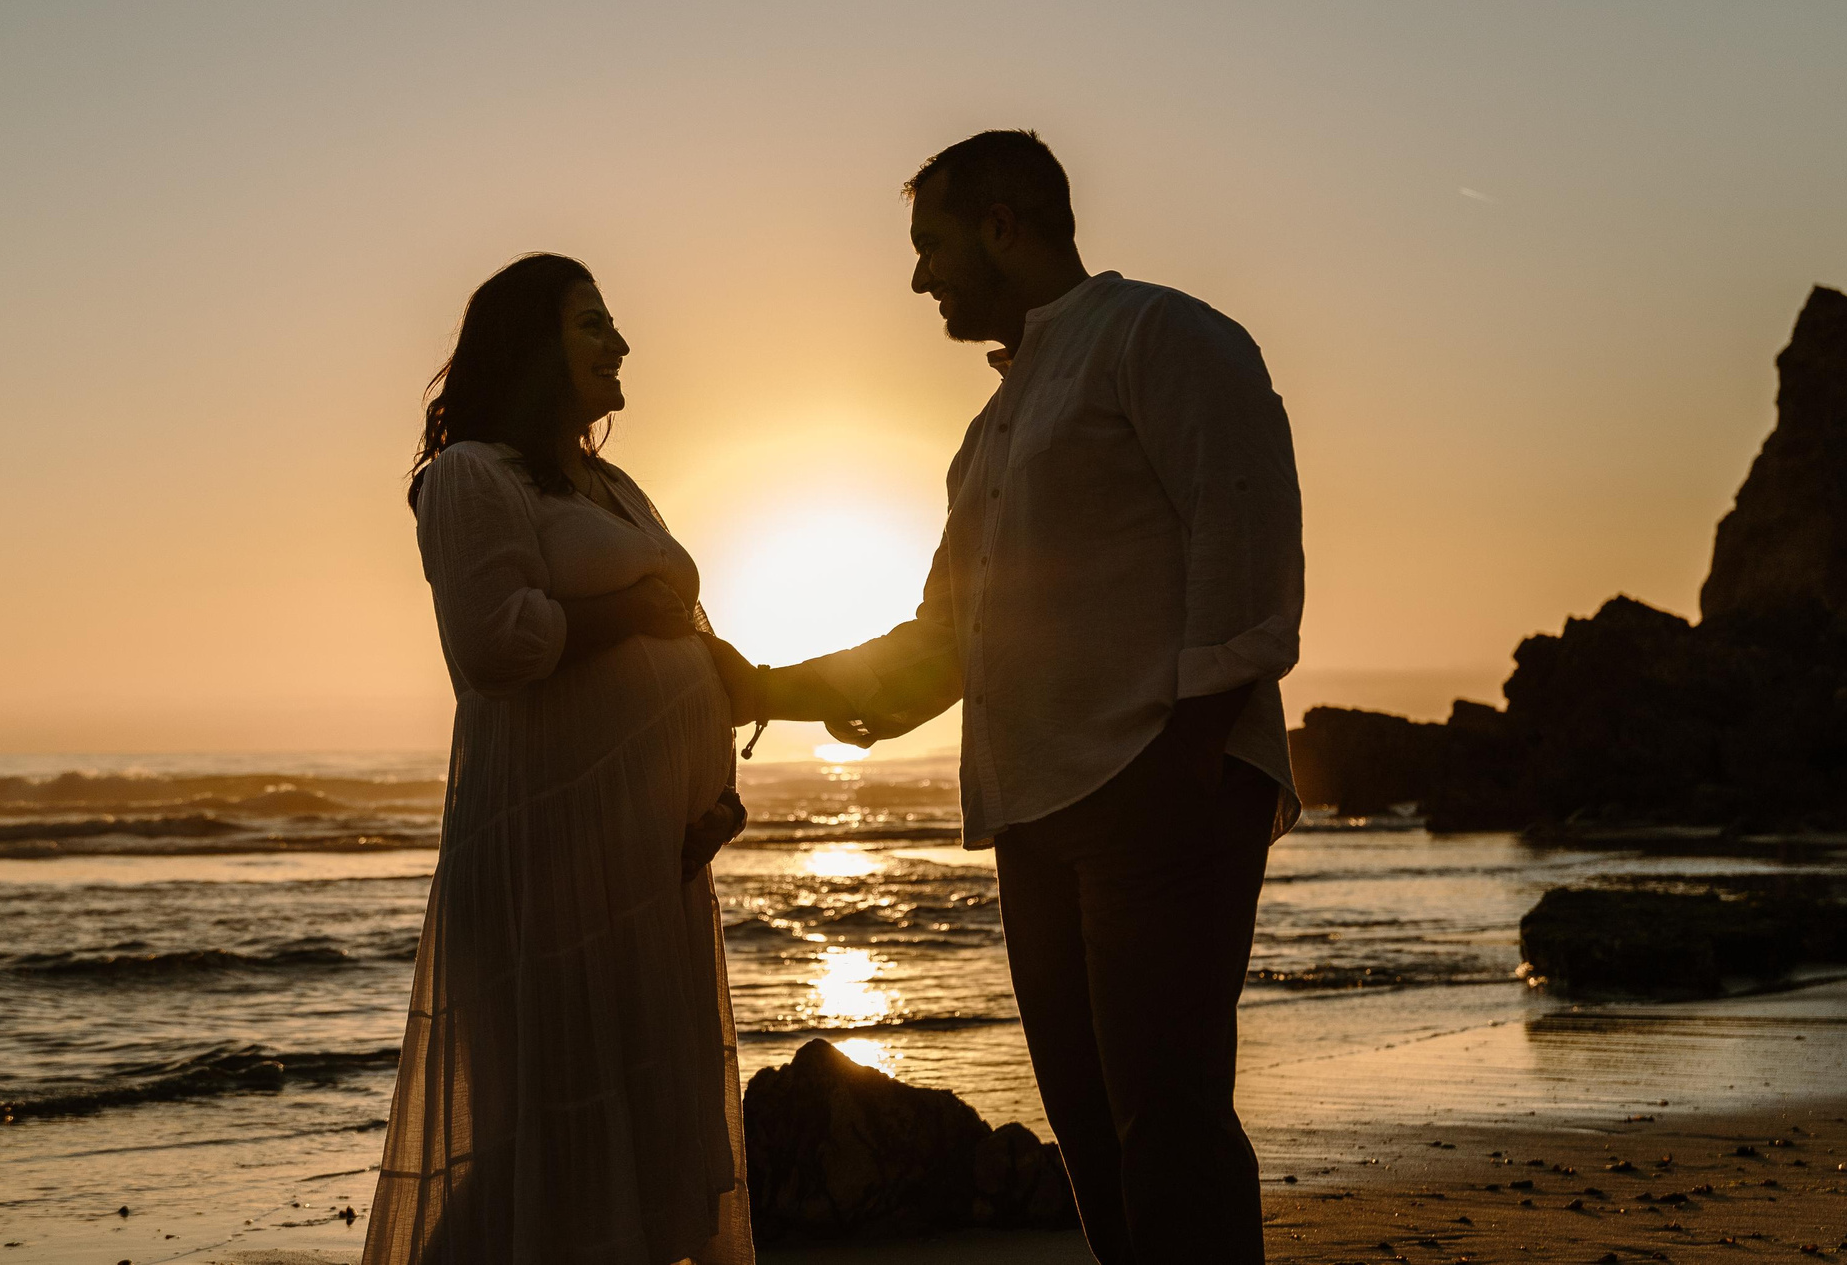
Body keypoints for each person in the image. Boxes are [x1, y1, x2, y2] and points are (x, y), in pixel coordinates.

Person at [715, 131, 1305, 1264]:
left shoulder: (1158, 333)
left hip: (1154, 781)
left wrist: (1188, 747)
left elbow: (1245, 527)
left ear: (1002, 224)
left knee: (1168, 1118)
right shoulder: (992, 428)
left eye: (930, 244)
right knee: (1090, 1136)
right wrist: (765, 688)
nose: (919, 277)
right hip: (1031, 811)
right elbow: (947, 641)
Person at [364, 252, 756, 1265]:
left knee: (644, 1134)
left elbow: (684, 637)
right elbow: (493, 645)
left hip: (649, 863)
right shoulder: (468, 479)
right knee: (544, 1133)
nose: (620, 342)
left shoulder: (610, 484)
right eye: (593, 325)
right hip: (549, 856)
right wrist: (627, 612)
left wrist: (718, 789)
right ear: (534, 347)